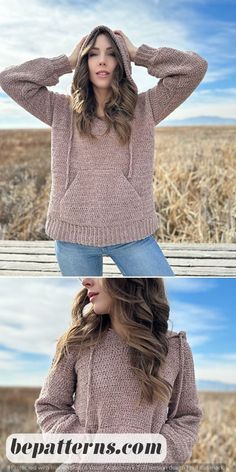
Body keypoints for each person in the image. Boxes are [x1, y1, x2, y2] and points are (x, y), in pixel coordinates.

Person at [0, 25, 208, 276]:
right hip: (73, 238)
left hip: (133, 235)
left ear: (121, 62)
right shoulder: (60, 109)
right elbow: (10, 79)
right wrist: (66, 61)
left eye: (111, 53)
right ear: (84, 61)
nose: (102, 61)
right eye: (93, 54)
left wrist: (138, 53)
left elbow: (194, 68)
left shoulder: (146, 108)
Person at [35, 278, 202, 471]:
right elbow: (50, 407)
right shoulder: (77, 343)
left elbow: (187, 417)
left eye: (98, 272)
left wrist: (151, 457)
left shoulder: (175, 348)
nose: (86, 281)